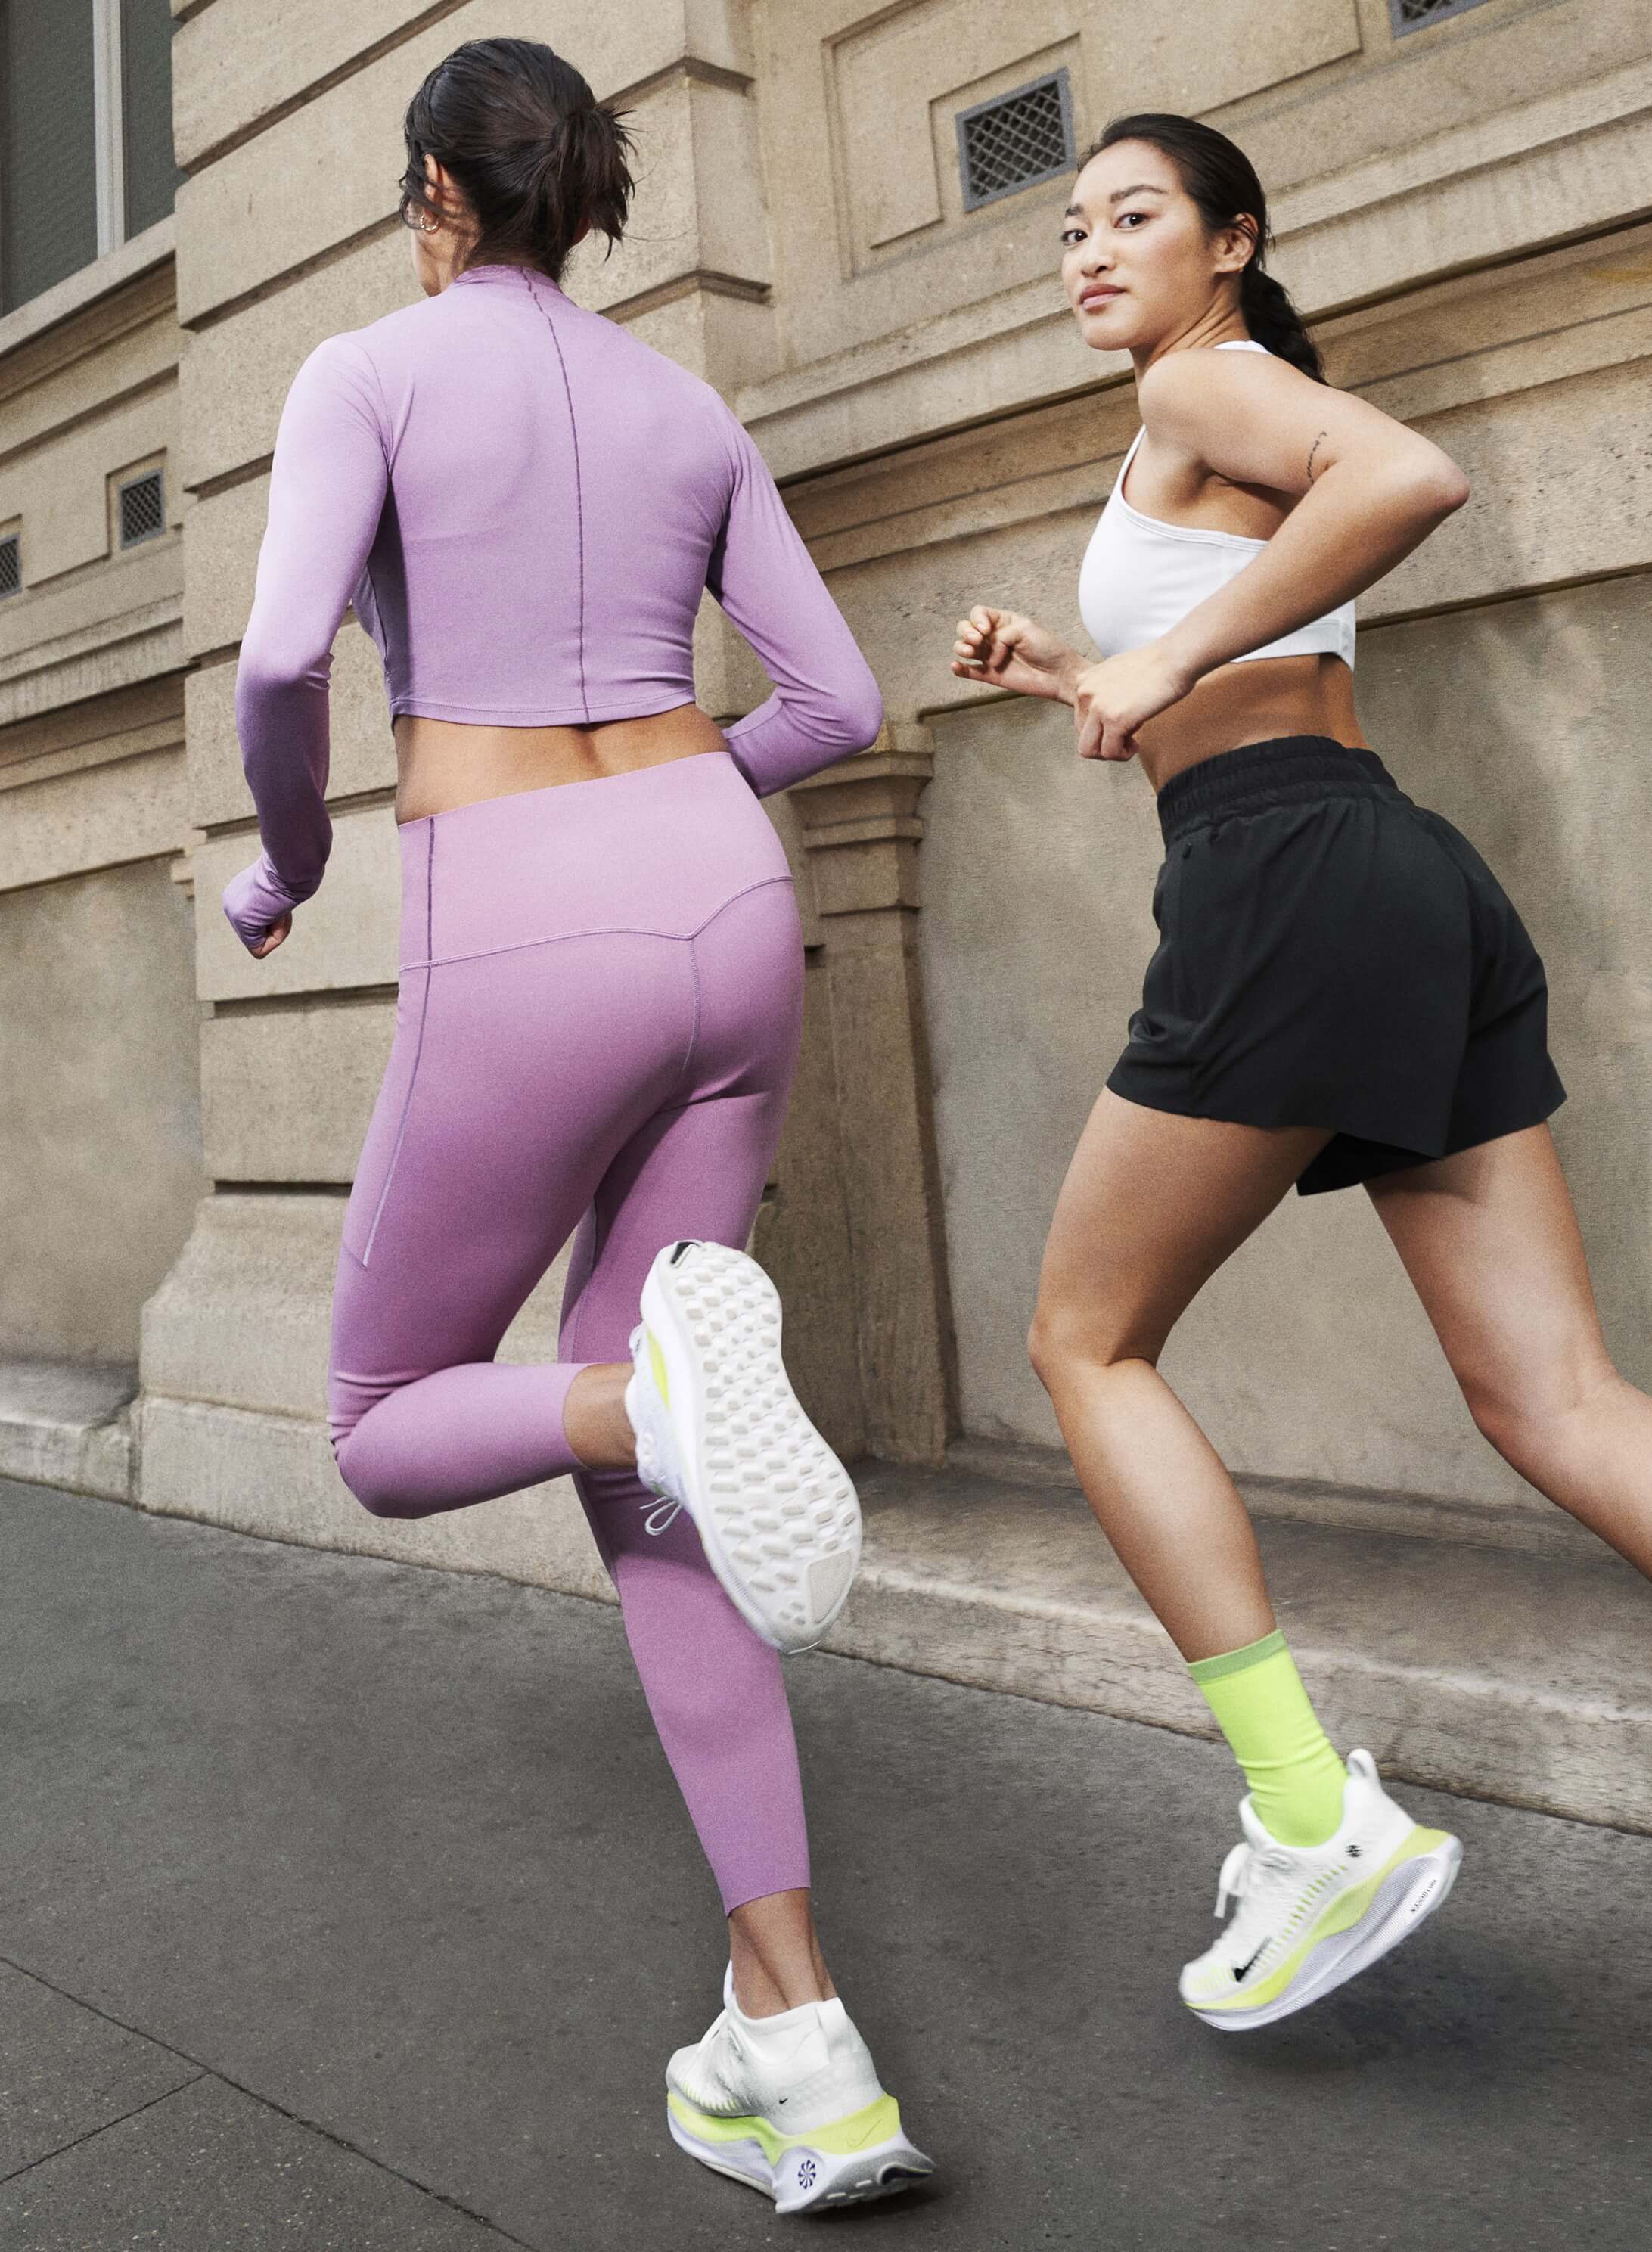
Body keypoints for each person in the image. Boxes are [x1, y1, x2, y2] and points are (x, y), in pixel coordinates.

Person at [951, 112, 1652, 2033]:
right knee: (1558, 1393)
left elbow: (1416, 476)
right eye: (1070, 227)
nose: (1088, 251)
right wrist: (1073, 671)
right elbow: (1228, 650)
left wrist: (1151, 676)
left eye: (1133, 217)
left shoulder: (1210, 380)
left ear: (1229, 240)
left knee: (1086, 1345)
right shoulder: (1229, 413)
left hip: (1283, 881)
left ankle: (1311, 1814)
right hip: (1397, 870)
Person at [224, 36, 930, 2212]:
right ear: (580, 193)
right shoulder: (686, 409)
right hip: (724, 895)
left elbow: (273, 671)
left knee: (384, 1409)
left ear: (435, 185)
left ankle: (641, 1403)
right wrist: (680, 825)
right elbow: (837, 702)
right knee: (660, 1501)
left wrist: (292, 864)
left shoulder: (363, 369)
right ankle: (802, 2050)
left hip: (518, 911)